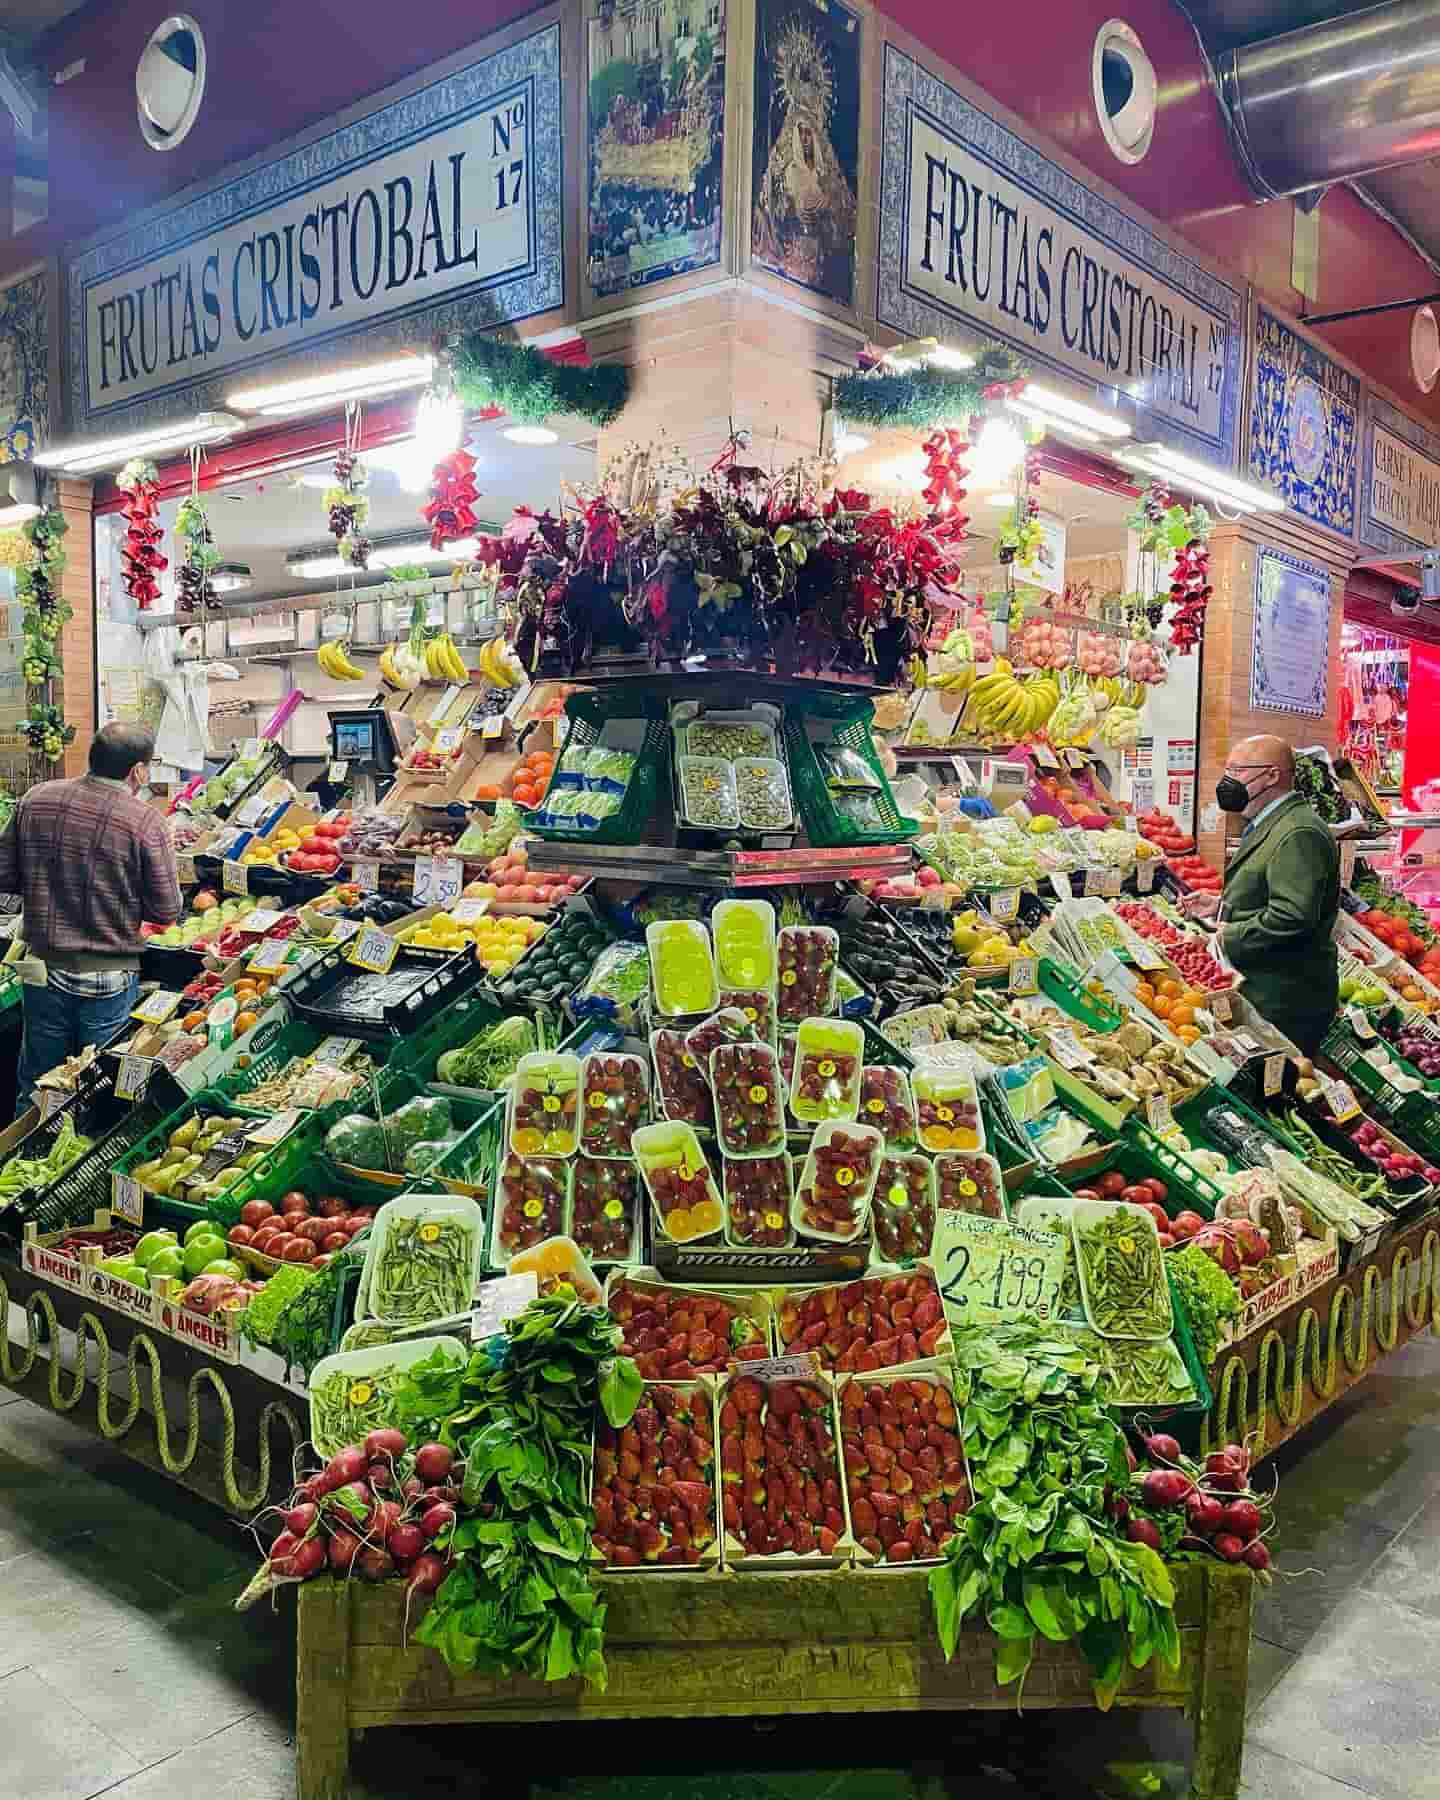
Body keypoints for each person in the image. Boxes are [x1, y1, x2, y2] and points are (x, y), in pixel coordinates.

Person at [0, 723, 183, 1111]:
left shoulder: (36, 799)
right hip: (107, 974)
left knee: (39, 1082)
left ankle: (26, 1159)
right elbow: (167, 910)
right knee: (99, 1084)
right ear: (138, 771)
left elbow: (5, 876)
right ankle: (87, 1159)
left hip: (42, 968)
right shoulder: (145, 820)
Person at [1179, 734, 1340, 1054]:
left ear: (1271, 775)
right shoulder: (1275, 823)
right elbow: (1271, 894)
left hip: (1284, 999)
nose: (1227, 781)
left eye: (1237, 771)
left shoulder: (1298, 832)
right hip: (1267, 989)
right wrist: (1222, 906)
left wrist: (1228, 936)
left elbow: (1291, 916)